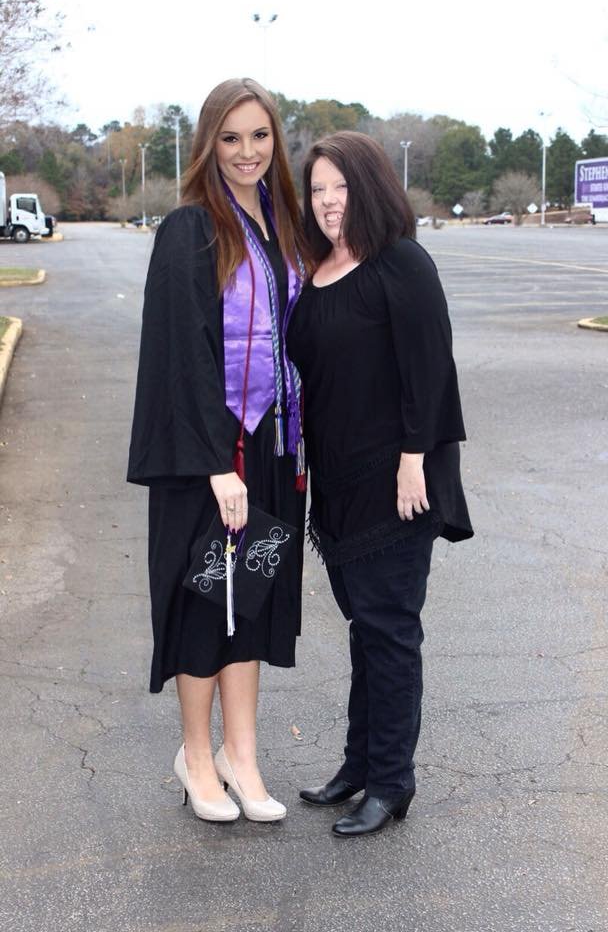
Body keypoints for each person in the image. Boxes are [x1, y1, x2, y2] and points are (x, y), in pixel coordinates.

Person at [127, 78, 309, 824]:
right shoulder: (189, 230)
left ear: (276, 142)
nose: (246, 152)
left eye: (259, 136)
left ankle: (242, 755)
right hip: (211, 455)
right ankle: (196, 759)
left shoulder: (279, 225)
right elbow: (181, 356)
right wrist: (214, 466)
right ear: (209, 142)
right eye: (230, 138)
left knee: (252, 602)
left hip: (267, 449)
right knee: (207, 602)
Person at [286, 131, 473, 837]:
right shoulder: (321, 264)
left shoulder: (401, 262)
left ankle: (392, 783)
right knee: (366, 630)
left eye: (341, 186)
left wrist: (413, 458)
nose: (330, 201)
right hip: (337, 484)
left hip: (398, 483)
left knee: (390, 632)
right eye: (318, 189)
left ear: (370, 188)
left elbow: (431, 369)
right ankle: (359, 766)